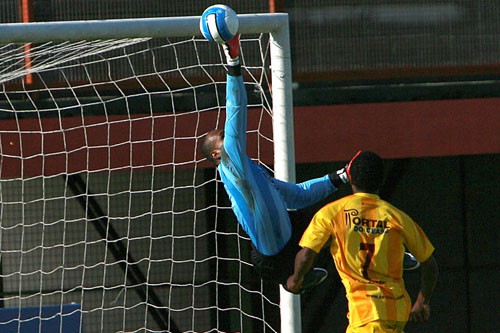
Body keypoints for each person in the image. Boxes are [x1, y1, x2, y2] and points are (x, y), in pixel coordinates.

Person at [200, 35, 352, 292]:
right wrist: (233, 63)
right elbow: (234, 112)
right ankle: (294, 279)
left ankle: (378, 256)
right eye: (223, 138)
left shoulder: (253, 173)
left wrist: (341, 177)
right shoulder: (229, 167)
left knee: (340, 219)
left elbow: (296, 196)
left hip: (289, 237)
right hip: (273, 258)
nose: (229, 136)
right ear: (216, 155)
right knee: (328, 229)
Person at [286, 150, 439, 332]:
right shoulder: (397, 217)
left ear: (350, 179)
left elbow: (306, 255)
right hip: (396, 312)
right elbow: (429, 264)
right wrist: (422, 302)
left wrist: (295, 281)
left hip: (367, 314)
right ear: (381, 180)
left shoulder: (332, 213)